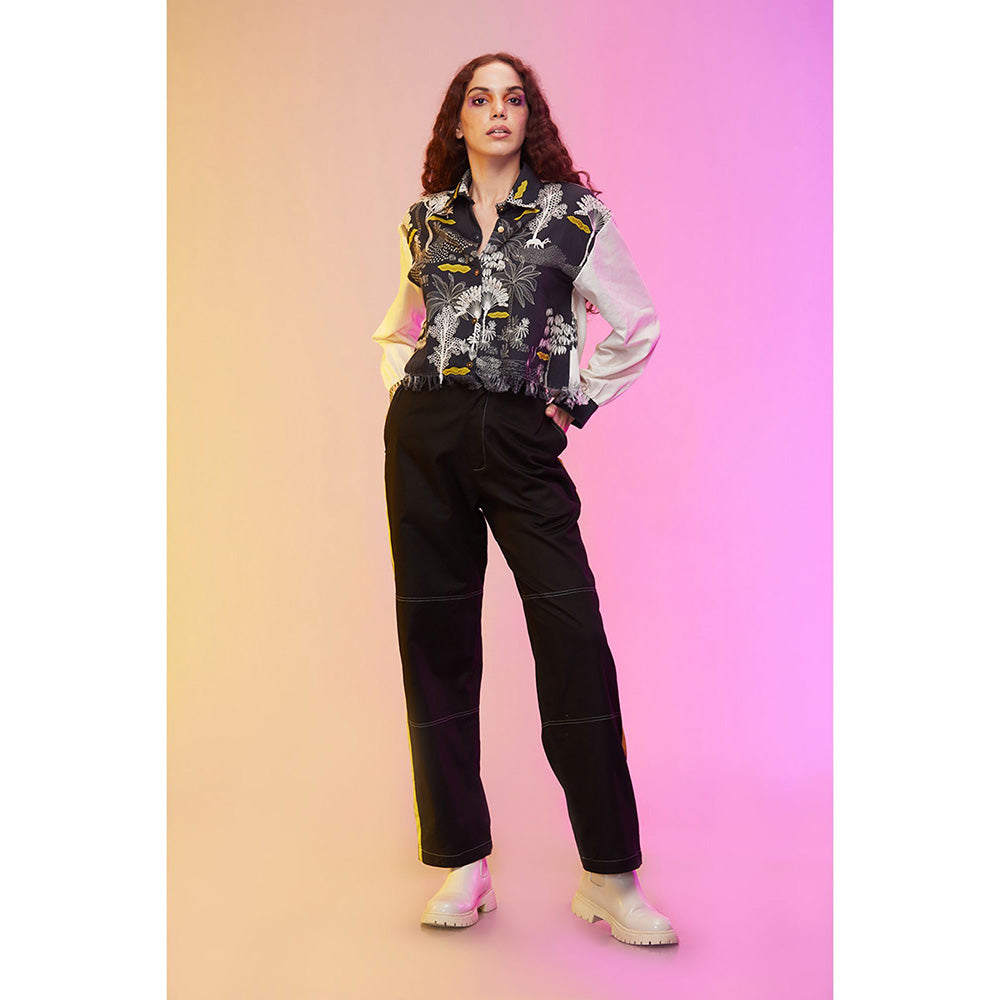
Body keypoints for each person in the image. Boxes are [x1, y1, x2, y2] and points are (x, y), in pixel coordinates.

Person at [372, 52, 679, 947]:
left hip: (519, 438)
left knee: (572, 635)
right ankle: (463, 863)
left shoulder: (573, 215)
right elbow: (396, 328)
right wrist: (407, 397)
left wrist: (574, 398)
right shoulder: (425, 220)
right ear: (459, 119)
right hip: (426, 439)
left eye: (513, 98)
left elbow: (637, 323)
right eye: (481, 98)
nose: (497, 111)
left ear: (529, 116)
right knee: (435, 642)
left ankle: (609, 876)